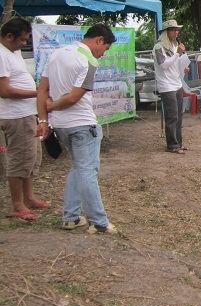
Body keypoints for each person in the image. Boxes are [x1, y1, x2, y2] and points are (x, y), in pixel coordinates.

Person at [37, 24, 118, 234]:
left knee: (77, 167)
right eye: (105, 48)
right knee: (87, 171)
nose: (102, 54)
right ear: (99, 40)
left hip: (61, 125)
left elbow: (42, 90)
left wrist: (44, 119)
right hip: (82, 125)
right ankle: (99, 221)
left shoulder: (56, 54)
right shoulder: (89, 60)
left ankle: (70, 217)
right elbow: (74, 97)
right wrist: (52, 105)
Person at [0, 18, 47, 221]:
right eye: (21, 40)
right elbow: (4, 90)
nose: (23, 44)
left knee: (31, 158)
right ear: (9, 36)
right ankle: (17, 205)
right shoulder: (1, 55)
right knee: (19, 160)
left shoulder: (13, 52)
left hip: (27, 114)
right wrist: (36, 93)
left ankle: (29, 198)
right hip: (15, 116)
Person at [153, 19, 187, 153]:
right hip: (166, 86)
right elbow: (163, 65)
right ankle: (172, 145)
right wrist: (178, 53)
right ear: (166, 31)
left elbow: (175, 63)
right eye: (173, 29)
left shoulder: (174, 45)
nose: (176, 32)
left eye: (177, 30)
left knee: (179, 115)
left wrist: (183, 66)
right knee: (172, 116)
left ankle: (178, 143)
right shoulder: (158, 47)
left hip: (177, 83)